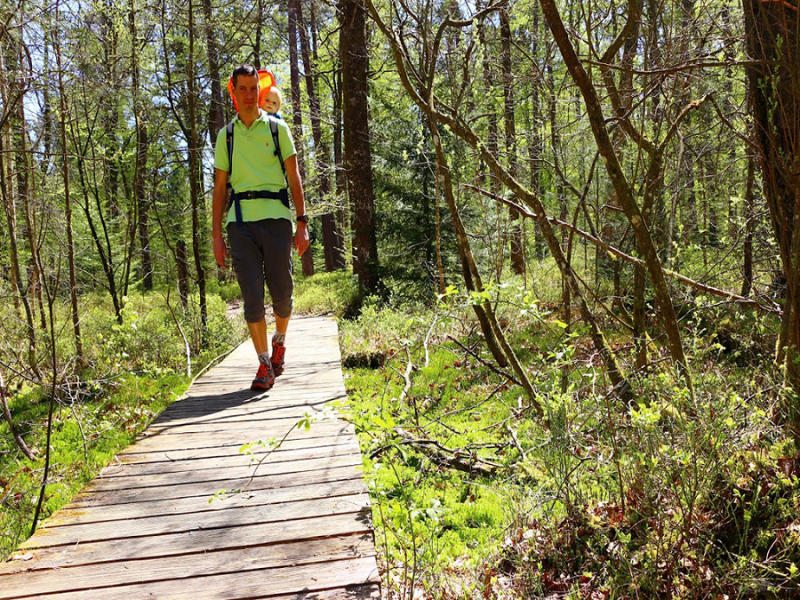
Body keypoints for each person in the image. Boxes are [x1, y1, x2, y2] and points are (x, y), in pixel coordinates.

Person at [212, 64, 310, 391]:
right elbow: (220, 188)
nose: (250, 95)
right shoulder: (226, 136)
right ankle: (264, 363)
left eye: (254, 89)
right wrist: (216, 235)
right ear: (234, 93)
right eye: (243, 89)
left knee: (282, 294)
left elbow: (294, 176)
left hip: (277, 218)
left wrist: (302, 222)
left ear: (260, 89)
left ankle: (280, 339)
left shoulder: (276, 129)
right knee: (252, 298)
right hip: (240, 223)